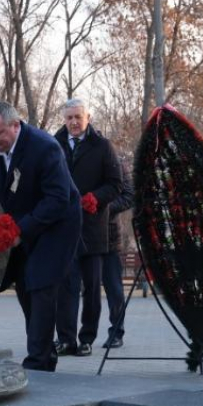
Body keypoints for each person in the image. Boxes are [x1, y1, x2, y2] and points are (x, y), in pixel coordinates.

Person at [0, 100, 82, 371]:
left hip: (58, 223)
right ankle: (45, 350)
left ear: (15, 125)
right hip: (24, 222)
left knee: (41, 283)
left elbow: (58, 198)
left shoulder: (44, 147)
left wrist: (19, 232)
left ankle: (37, 361)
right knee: (24, 285)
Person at [53, 98, 122, 357]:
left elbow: (115, 184)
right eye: (69, 117)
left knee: (92, 287)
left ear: (87, 118)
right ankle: (66, 338)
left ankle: (86, 337)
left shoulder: (102, 146)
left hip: (93, 228)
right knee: (65, 286)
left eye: (77, 117)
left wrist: (96, 197)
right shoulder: (54, 144)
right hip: (64, 227)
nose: (73, 122)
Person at [101, 161, 134, 349]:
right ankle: (70, 337)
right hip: (78, 234)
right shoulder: (67, 154)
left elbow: (129, 195)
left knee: (113, 288)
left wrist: (104, 208)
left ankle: (116, 332)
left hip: (108, 236)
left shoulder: (114, 161)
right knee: (70, 288)